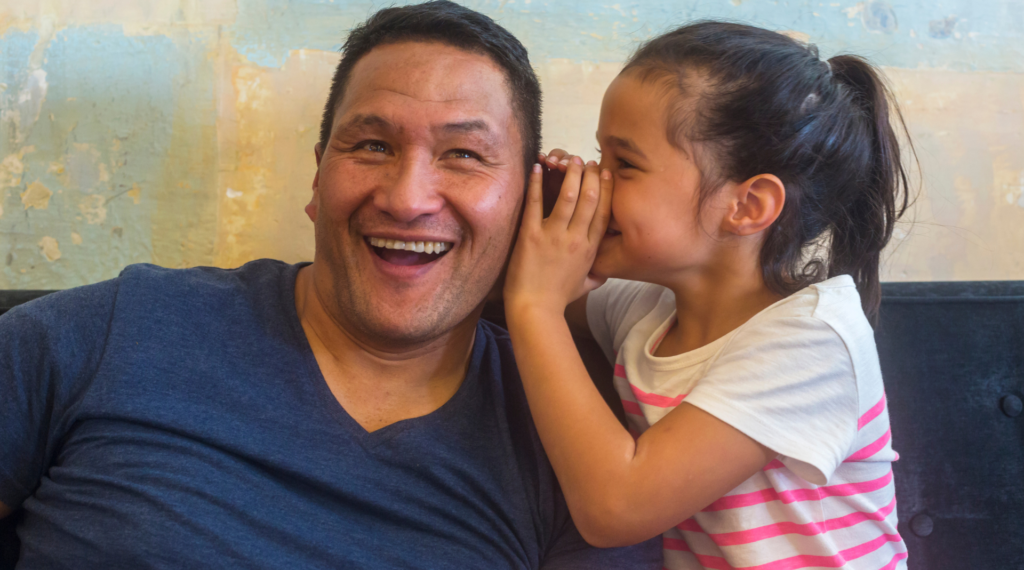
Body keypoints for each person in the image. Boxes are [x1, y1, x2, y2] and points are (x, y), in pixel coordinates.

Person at [0, 2, 661, 568]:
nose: (407, 199)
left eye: (463, 154)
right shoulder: (109, 333)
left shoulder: (579, 453)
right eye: (372, 146)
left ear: (529, 202)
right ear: (318, 180)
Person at [503, 21, 912, 569]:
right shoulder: (649, 309)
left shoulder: (812, 341)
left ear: (746, 207)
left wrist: (533, 308)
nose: (597, 181)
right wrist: (544, 204)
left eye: (623, 165)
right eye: (598, 157)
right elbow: (524, 276)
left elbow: (615, 508)